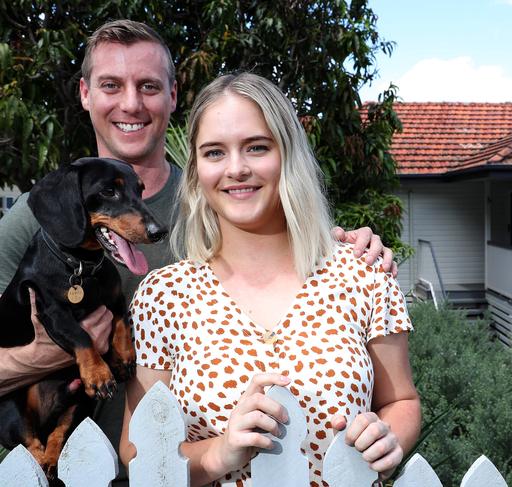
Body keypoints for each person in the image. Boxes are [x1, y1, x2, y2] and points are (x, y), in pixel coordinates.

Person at [0, 19, 395, 482]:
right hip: (52, 466)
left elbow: (279, 239)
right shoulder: (37, 216)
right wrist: (47, 354)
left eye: (148, 86)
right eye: (111, 85)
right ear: (86, 94)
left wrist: (344, 243)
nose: (131, 103)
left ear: (172, 96)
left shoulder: (211, 203)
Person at [119, 72, 421, 487]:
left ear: (287, 154)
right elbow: (136, 449)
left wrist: (390, 439)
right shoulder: (163, 297)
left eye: (256, 147)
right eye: (214, 153)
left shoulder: (364, 276)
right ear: (196, 172)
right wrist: (219, 451)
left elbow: (401, 400)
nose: (236, 169)